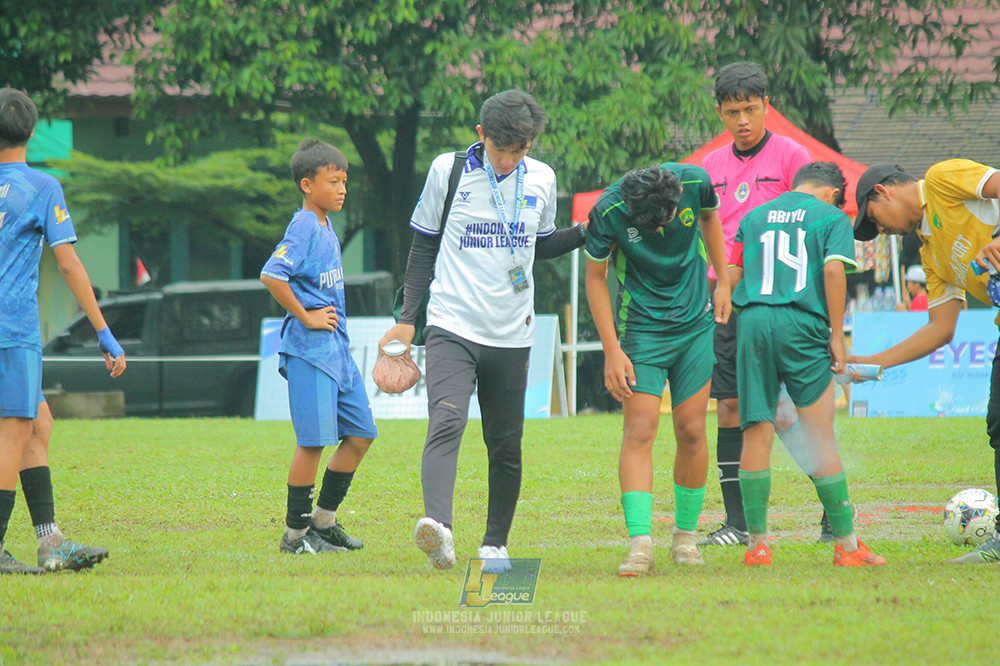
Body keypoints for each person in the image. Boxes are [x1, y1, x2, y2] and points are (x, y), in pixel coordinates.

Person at [379, 90, 586, 571]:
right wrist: (409, 319)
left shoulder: (543, 178)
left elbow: (539, 244)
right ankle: (439, 529)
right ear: (481, 135)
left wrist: (585, 233)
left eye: (521, 151)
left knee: (506, 443)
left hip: (513, 332)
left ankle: (495, 543)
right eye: (500, 151)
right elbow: (423, 247)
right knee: (447, 419)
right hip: (452, 323)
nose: (509, 161)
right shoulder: (446, 172)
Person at [731, 161, 885, 567]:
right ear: (835, 193)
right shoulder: (833, 217)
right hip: (801, 324)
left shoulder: (754, 215)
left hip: (752, 322)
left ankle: (758, 547)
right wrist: (837, 335)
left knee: (756, 430)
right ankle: (847, 547)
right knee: (819, 437)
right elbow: (834, 270)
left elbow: (731, 272)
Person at [0, 87, 127, 574]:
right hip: (13, 332)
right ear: (33, 131)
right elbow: (69, 264)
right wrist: (103, 331)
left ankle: (49, 540)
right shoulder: (42, 187)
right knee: (14, 430)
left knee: (39, 424)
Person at [849, 158, 1000, 564]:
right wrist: (876, 362)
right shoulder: (930, 253)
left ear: (882, 191)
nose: (880, 230)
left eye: (875, 220)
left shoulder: (941, 179)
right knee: (999, 422)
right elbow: (941, 328)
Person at [585, 163, 731, 576]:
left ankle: (685, 538)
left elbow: (710, 218)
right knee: (641, 428)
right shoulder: (608, 210)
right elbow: (595, 278)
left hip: (694, 324)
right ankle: (640, 545)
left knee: (691, 428)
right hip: (642, 329)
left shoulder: (696, 181)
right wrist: (612, 349)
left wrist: (723, 281)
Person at [700, 62, 812, 546]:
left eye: (750, 109)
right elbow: (709, 236)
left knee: (788, 413)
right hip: (726, 301)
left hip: (780, 301)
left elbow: (809, 225)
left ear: (767, 104)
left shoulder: (793, 156)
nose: (742, 120)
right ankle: (737, 524)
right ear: (720, 112)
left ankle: (833, 507)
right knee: (728, 407)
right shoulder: (710, 167)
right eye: (732, 112)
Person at [260, 139, 376, 555]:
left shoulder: (326, 225)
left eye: (345, 181)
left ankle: (323, 522)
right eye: (333, 181)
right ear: (307, 185)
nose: (343, 188)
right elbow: (273, 275)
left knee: (361, 433)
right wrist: (307, 315)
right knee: (312, 442)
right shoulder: (305, 225)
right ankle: (295, 536)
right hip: (310, 350)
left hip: (337, 351)